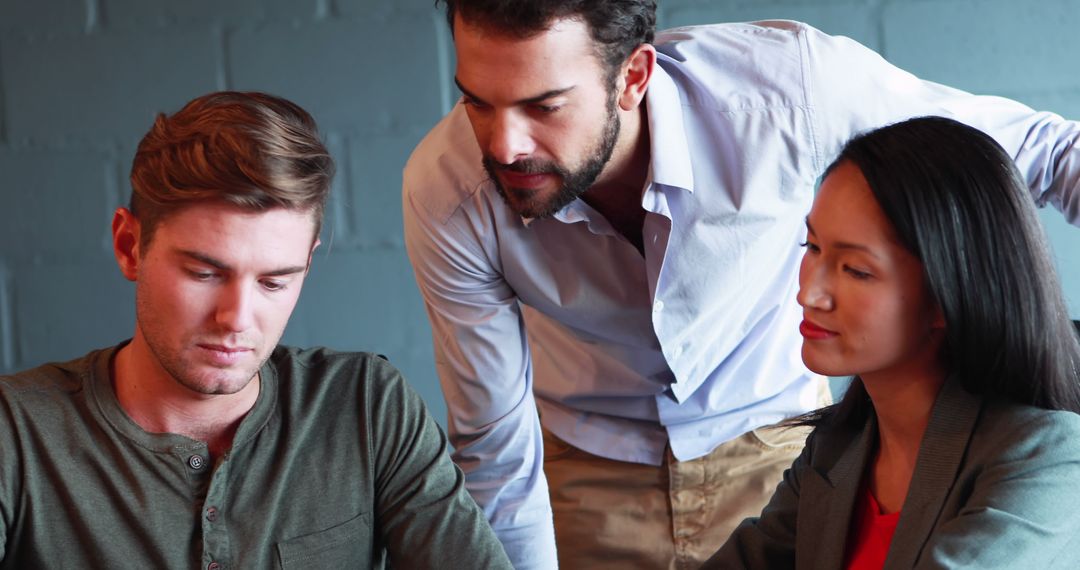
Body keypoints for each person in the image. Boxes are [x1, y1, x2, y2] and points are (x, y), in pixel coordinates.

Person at [401, 1, 1080, 567]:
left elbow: (1050, 152)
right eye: (477, 103)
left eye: (543, 105)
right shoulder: (449, 189)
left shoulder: (790, 91)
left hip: (779, 446)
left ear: (633, 76)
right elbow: (497, 458)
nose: (503, 146)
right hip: (587, 478)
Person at [0, 91, 511, 569]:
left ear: (306, 267)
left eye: (273, 281)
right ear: (130, 246)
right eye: (204, 273)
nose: (237, 319)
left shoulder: (367, 407)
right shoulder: (16, 434)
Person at [704, 116, 1080, 569]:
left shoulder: (1047, 459)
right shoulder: (837, 446)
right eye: (813, 247)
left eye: (856, 270)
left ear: (949, 295)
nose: (808, 294)